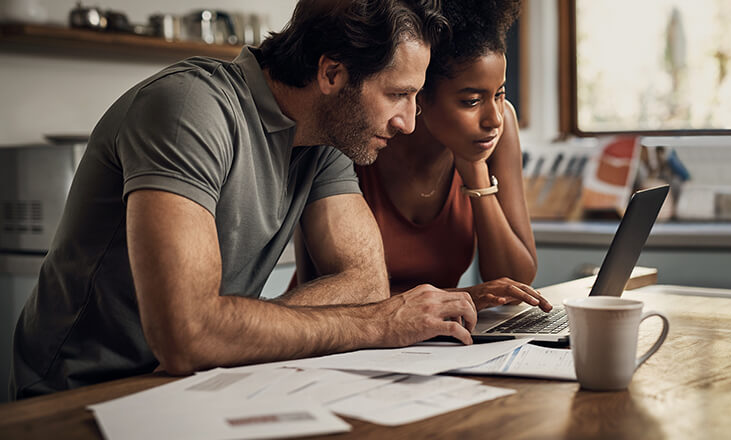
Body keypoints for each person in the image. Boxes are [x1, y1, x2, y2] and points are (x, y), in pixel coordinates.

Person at [10, 0, 480, 400]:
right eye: (398, 94)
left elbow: (366, 283)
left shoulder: (325, 140)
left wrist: (229, 331)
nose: (409, 122)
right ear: (332, 73)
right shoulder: (190, 108)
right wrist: (378, 325)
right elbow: (188, 335)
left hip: (191, 385)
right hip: (79, 395)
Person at [293, 0, 553, 313]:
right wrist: (465, 297)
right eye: (471, 101)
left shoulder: (496, 130)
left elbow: (515, 280)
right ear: (420, 92)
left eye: (499, 93)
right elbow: (329, 292)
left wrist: (476, 173)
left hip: (429, 342)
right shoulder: (357, 135)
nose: (494, 118)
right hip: (333, 336)